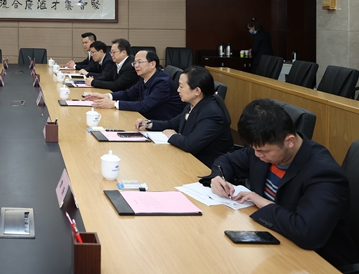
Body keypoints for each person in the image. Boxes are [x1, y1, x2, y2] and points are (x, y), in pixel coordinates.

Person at [209, 99, 359, 269]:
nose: (257, 155)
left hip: (316, 262)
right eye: (254, 149)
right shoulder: (265, 149)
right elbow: (227, 161)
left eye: (262, 151)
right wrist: (219, 177)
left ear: (290, 141)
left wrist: (263, 203)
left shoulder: (324, 174)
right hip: (270, 243)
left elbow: (306, 233)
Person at [136, 66, 233, 166]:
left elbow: (190, 144)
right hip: (187, 159)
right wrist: (148, 123)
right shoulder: (192, 104)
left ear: (197, 91)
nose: (178, 90)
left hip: (206, 167)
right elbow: (172, 123)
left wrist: (173, 135)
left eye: (181, 86)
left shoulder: (212, 114)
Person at [85, 50, 184, 120]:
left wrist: (114, 104)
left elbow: (144, 105)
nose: (136, 66)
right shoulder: (144, 77)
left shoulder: (163, 82)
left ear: (152, 64)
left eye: (140, 62)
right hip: (145, 119)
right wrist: (106, 96)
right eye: (135, 63)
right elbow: (128, 94)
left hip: (162, 126)